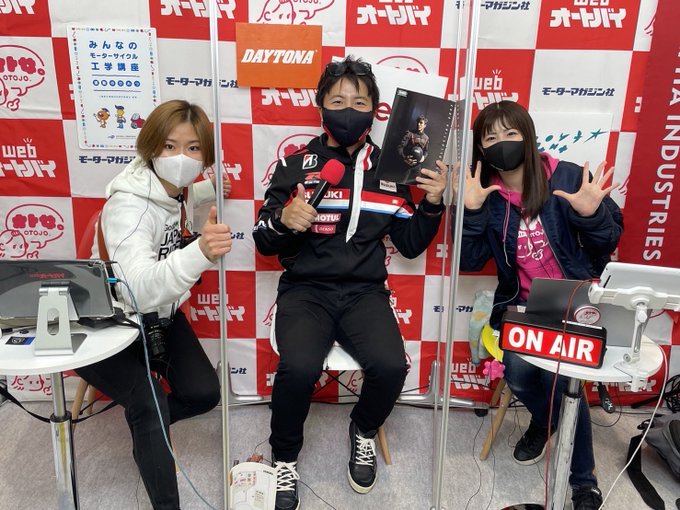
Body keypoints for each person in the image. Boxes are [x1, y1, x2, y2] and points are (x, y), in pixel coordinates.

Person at [253, 55, 447, 510]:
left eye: (359, 103)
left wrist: (432, 204)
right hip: (306, 291)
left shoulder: (392, 169)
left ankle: (362, 430)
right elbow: (263, 241)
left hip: (364, 293)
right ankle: (285, 458)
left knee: (392, 367)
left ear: (375, 111)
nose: (348, 110)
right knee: (299, 368)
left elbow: (410, 244)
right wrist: (284, 220)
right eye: (337, 101)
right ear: (321, 105)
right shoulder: (294, 165)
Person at [454, 100, 623, 510]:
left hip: (576, 303)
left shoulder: (567, 177)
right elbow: (469, 261)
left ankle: (584, 482)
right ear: (480, 148)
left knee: (563, 382)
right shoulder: (485, 192)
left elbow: (609, 239)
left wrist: (591, 215)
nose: (501, 142)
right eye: (490, 137)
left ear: (528, 136)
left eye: (510, 133)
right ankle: (546, 422)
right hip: (522, 307)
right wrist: (471, 211)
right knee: (519, 372)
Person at [75, 99, 233, 510]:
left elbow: (184, 196)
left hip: (158, 318)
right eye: (169, 146)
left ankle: (149, 427)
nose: (181, 158)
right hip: (107, 323)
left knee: (204, 394)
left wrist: (210, 189)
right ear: (150, 148)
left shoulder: (173, 191)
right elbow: (138, 291)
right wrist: (200, 252)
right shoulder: (129, 208)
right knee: (149, 403)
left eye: (193, 148)